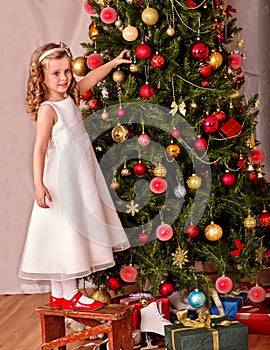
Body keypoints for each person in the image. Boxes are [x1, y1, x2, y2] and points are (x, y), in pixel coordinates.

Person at [19, 42, 131, 311]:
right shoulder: (49, 109)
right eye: (56, 73)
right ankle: (68, 293)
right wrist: (38, 183)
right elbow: (40, 149)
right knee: (65, 231)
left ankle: (59, 294)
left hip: (79, 176)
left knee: (69, 230)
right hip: (61, 180)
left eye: (67, 71)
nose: (64, 78)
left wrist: (114, 63)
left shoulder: (70, 98)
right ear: (42, 77)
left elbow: (90, 78)